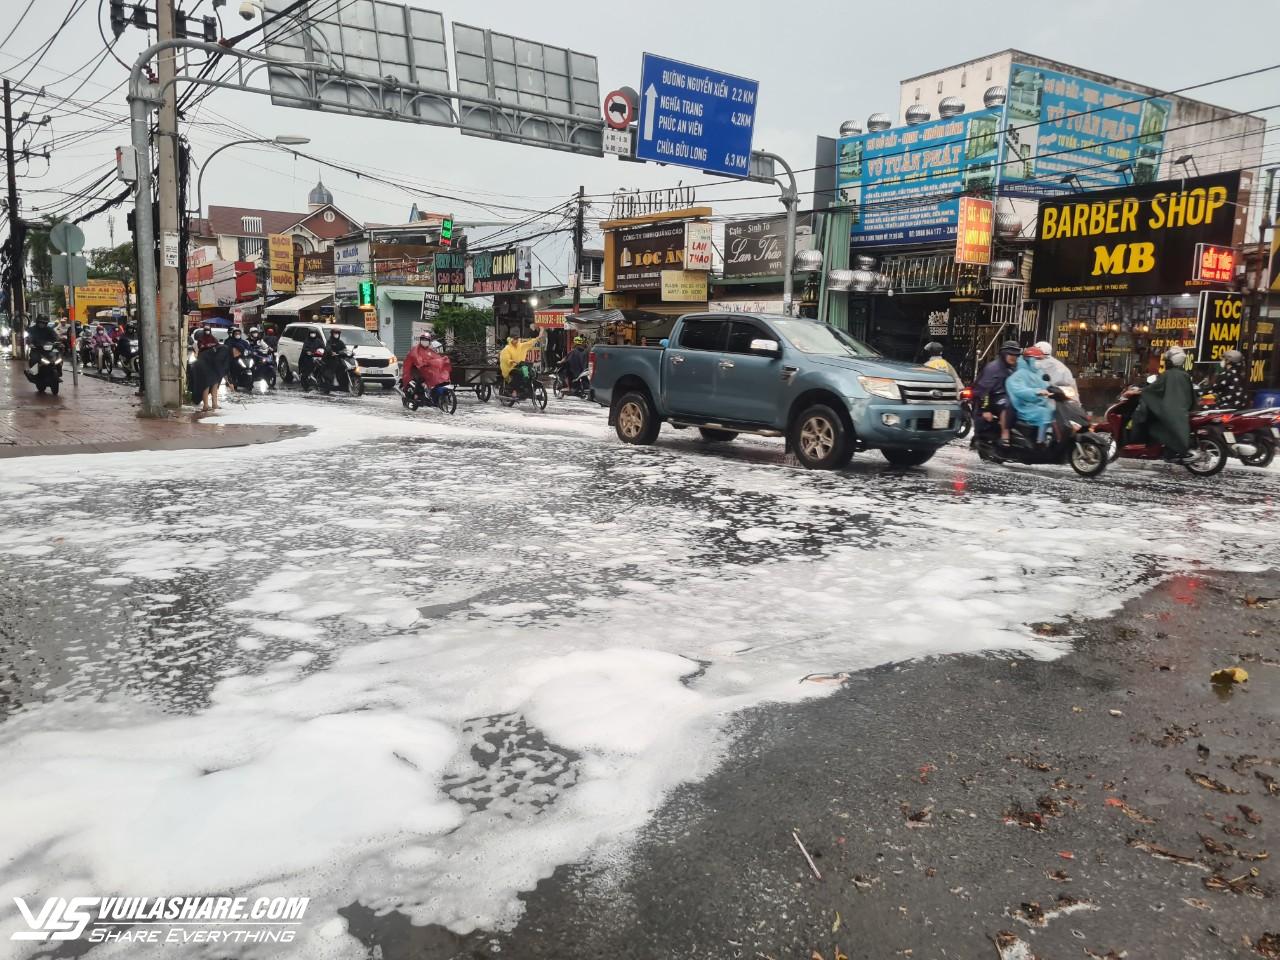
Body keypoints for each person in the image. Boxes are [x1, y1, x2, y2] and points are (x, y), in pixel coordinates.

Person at [1133, 347, 1196, 462]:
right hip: (1182, 411)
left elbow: (1153, 389)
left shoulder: (1167, 375)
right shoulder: (1185, 375)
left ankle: (1166, 451)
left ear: (1171, 361)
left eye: (1167, 361)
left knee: (1153, 427)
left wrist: (1141, 391)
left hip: (1168, 412)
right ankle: (1168, 451)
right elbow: (1191, 395)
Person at [973, 340, 1022, 446]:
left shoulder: (1017, 368)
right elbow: (984, 390)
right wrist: (985, 409)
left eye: (1016, 355)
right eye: (1010, 354)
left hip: (1012, 396)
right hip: (994, 397)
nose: (1013, 357)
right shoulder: (993, 368)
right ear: (1004, 354)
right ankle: (1005, 435)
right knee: (1007, 405)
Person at [1005, 348, 1056, 444]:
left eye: (1041, 360)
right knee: (1044, 413)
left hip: (1040, 403)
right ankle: (1040, 442)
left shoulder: (1039, 373)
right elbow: (1020, 391)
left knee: (1055, 410)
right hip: (1025, 406)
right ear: (1029, 359)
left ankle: (1055, 439)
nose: (1039, 362)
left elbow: (1046, 385)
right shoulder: (1019, 375)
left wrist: (1054, 389)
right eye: (1037, 359)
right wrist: (1036, 392)